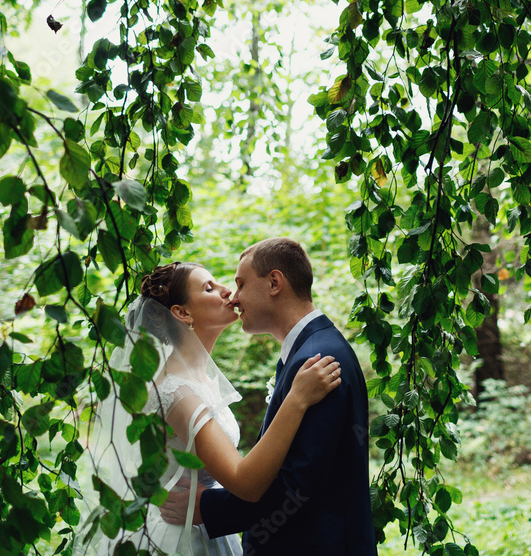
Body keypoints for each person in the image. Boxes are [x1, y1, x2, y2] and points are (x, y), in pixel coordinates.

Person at [73, 261, 342, 556]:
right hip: (180, 539)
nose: (227, 291)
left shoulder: (200, 379)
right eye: (209, 288)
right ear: (183, 313)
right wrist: (296, 399)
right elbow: (245, 482)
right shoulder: (178, 392)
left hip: (203, 527)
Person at [161, 237, 377, 556]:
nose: (234, 296)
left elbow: (298, 484)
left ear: (274, 283)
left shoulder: (317, 360)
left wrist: (208, 507)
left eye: (241, 284)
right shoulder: (307, 353)